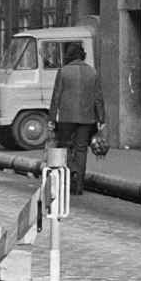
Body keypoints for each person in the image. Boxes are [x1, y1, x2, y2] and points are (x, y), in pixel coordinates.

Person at [47, 41, 105, 199]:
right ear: (83, 55)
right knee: (81, 149)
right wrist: (101, 118)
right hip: (86, 118)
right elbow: (98, 97)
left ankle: (72, 170)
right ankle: (78, 186)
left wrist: (52, 118)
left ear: (69, 56)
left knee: (65, 145)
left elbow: (56, 96)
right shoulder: (92, 72)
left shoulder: (63, 71)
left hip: (66, 117)